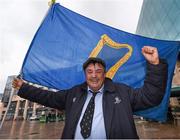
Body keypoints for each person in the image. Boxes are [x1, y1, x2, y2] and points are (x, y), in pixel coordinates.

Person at [13, 46, 168, 139]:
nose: (94, 75)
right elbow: (48, 97)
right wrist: (23, 87)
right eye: (90, 72)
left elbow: (151, 96)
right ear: (85, 74)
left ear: (104, 74)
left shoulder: (122, 92)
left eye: (98, 71)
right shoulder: (73, 94)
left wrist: (155, 65)